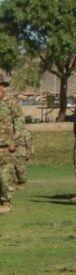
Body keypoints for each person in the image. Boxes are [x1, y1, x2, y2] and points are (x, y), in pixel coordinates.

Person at [0, 74, 28, 213]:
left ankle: (6, 203)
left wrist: (15, 141)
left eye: (0, 85)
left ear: (3, 86)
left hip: (6, 146)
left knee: (6, 176)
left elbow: (19, 121)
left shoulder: (11, 101)